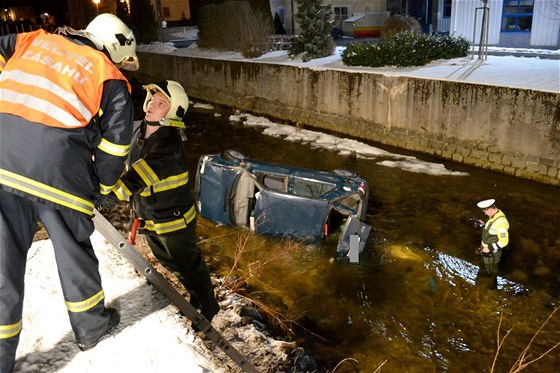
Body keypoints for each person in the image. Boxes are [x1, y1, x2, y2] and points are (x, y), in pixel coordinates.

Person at [0, 13, 138, 372]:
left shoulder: (32, 40)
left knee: (2, 261)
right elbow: (115, 149)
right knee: (72, 248)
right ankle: (91, 327)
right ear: (115, 46)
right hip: (57, 171)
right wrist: (102, 188)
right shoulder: (110, 77)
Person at [109, 80, 220, 322]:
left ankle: (209, 306)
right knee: (171, 264)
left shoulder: (170, 142)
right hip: (152, 218)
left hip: (174, 221)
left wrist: (107, 195)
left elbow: (137, 178)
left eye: (161, 103)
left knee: (189, 264)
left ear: (172, 112)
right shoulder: (140, 130)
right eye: (151, 99)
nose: (151, 104)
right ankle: (195, 296)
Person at [474, 198, 510, 277]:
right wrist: (483, 224)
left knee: (492, 266)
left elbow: (504, 241)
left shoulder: (501, 223)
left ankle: (493, 278)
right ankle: (487, 269)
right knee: (485, 262)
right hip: (485, 246)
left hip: (492, 251)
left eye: (485, 211)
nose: (485, 214)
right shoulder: (495, 214)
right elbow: (493, 227)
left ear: (490, 209)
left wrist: (489, 248)